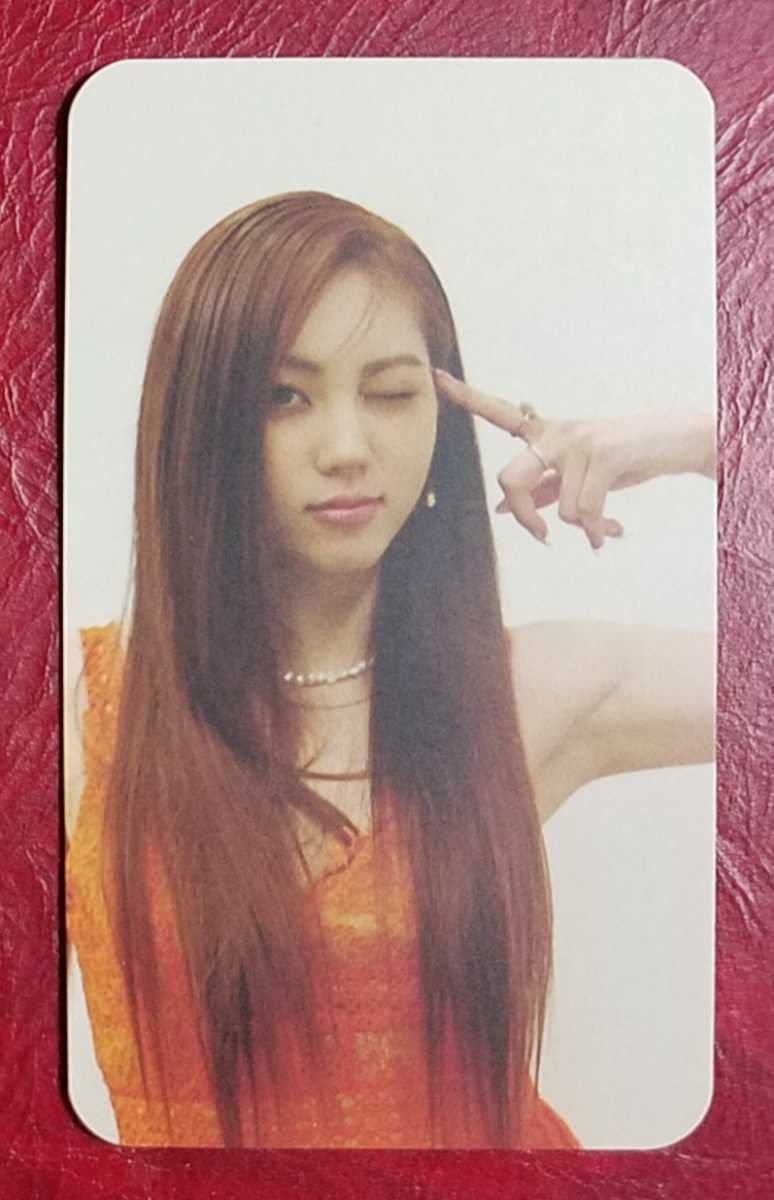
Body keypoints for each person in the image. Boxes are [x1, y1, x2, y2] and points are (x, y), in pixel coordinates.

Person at [65, 191, 715, 1150]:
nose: (346, 449)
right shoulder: (78, 712)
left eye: (392, 393)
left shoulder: (525, 696)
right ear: (198, 424)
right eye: (284, 396)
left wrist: (693, 442)